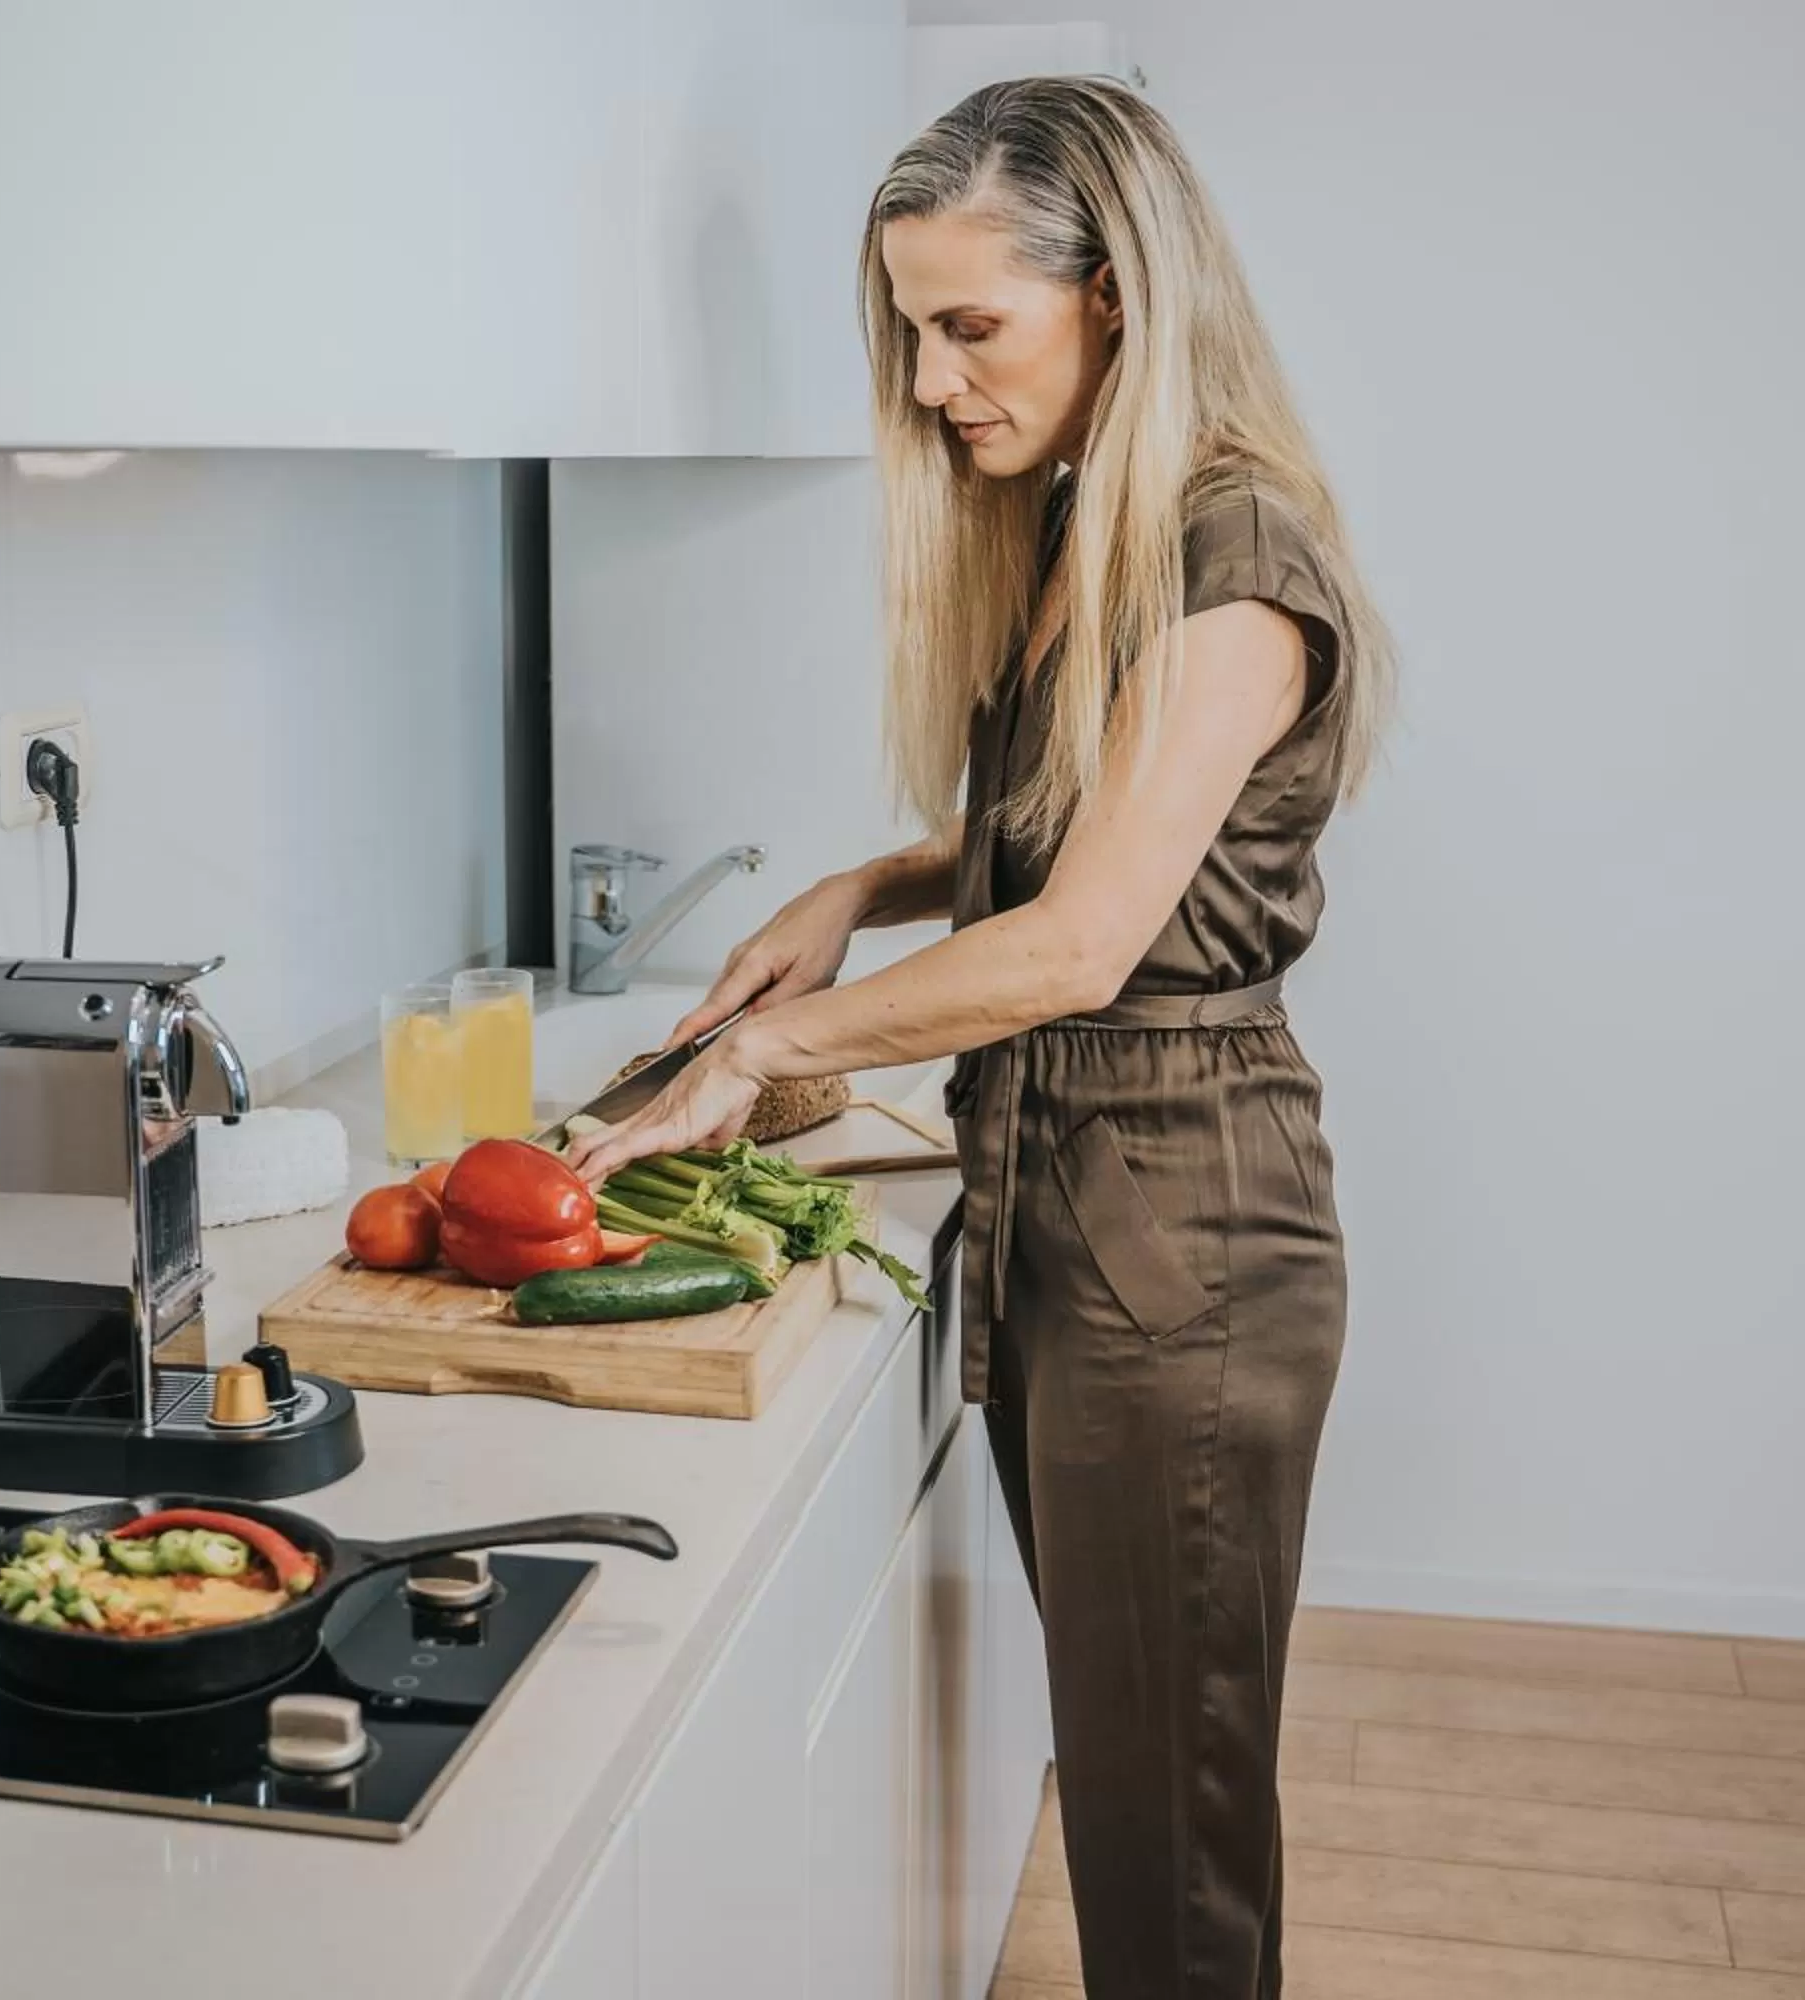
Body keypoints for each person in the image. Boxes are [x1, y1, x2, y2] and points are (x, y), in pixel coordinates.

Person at [566, 76, 1392, 1999]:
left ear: (1119, 293)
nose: (933, 382)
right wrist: (870, 880)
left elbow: (1087, 938)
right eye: (910, 331)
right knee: (1135, 1790)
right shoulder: (1097, 521)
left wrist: (766, 1056)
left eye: (969, 327)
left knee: (1168, 1836)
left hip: (1180, 1220)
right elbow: (1068, 835)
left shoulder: (1230, 550)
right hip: (1074, 1191)